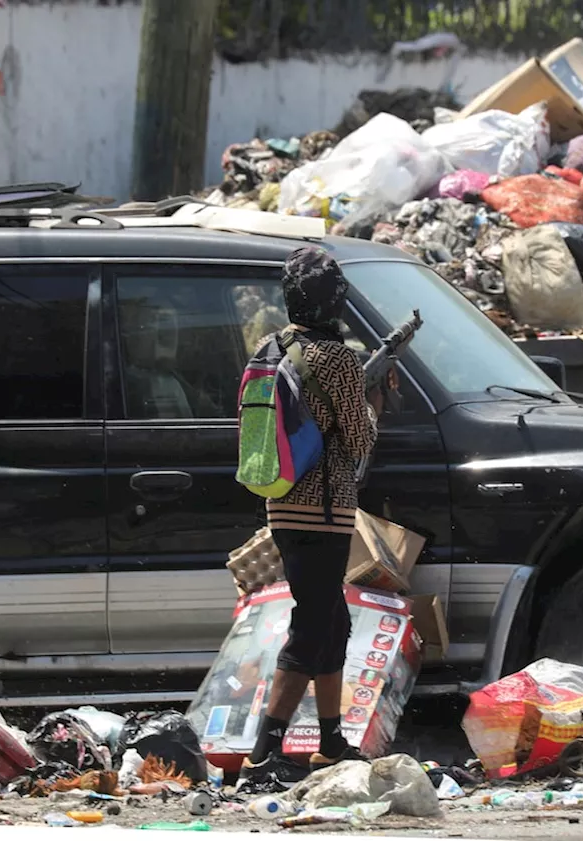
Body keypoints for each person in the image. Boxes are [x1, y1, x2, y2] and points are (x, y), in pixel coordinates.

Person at [243, 246, 381, 777]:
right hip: (324, 510)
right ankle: (265, 750)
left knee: (333, 622)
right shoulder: (338, 358)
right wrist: (375, 399)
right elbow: (360, 436)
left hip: (280, 503)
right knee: (312, 623)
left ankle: (330, 739)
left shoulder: (268, 347)